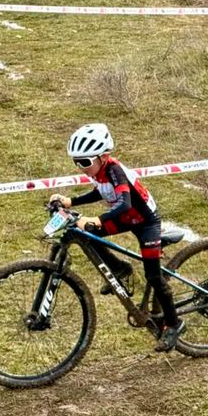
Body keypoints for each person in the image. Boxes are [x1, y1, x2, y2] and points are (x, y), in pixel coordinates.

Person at [49, 123, 186, 352]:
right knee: (86, 234)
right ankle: (121, 269)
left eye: (84, 162)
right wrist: (71, 202)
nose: (80, 168)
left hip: (145, 222)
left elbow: (125, 204)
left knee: (153, 277)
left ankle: (174, 324)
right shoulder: (99, 171)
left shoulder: (115, 171)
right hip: (126, 218)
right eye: (76, 162)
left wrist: (98, 219)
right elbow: (101, 191)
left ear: (104, 156)